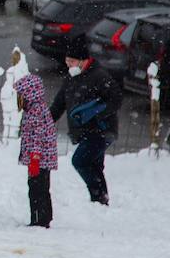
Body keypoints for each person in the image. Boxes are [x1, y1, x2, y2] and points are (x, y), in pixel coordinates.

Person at [49, 51, 120, 205]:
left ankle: (98, 197)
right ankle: (101, 200)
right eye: (67, 60)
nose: (68, 64)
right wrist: (44, 122)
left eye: (72, 61)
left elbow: (116, 99)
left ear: (84, 60)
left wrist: (97, 114)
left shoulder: (100, 76)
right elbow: (58, 104)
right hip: (85, 131)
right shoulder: (71, 78)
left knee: (80, 161)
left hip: (101, 130)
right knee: (94, 165)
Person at [14, 73, 58, 228]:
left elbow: (37, 136)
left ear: (28, 95)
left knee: (36, 189)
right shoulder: (37, 107)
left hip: (39, 160)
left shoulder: (35, 111)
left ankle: (39, 220)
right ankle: (45, 217)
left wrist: (34, 159)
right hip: (43, 159)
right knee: (43, 188)